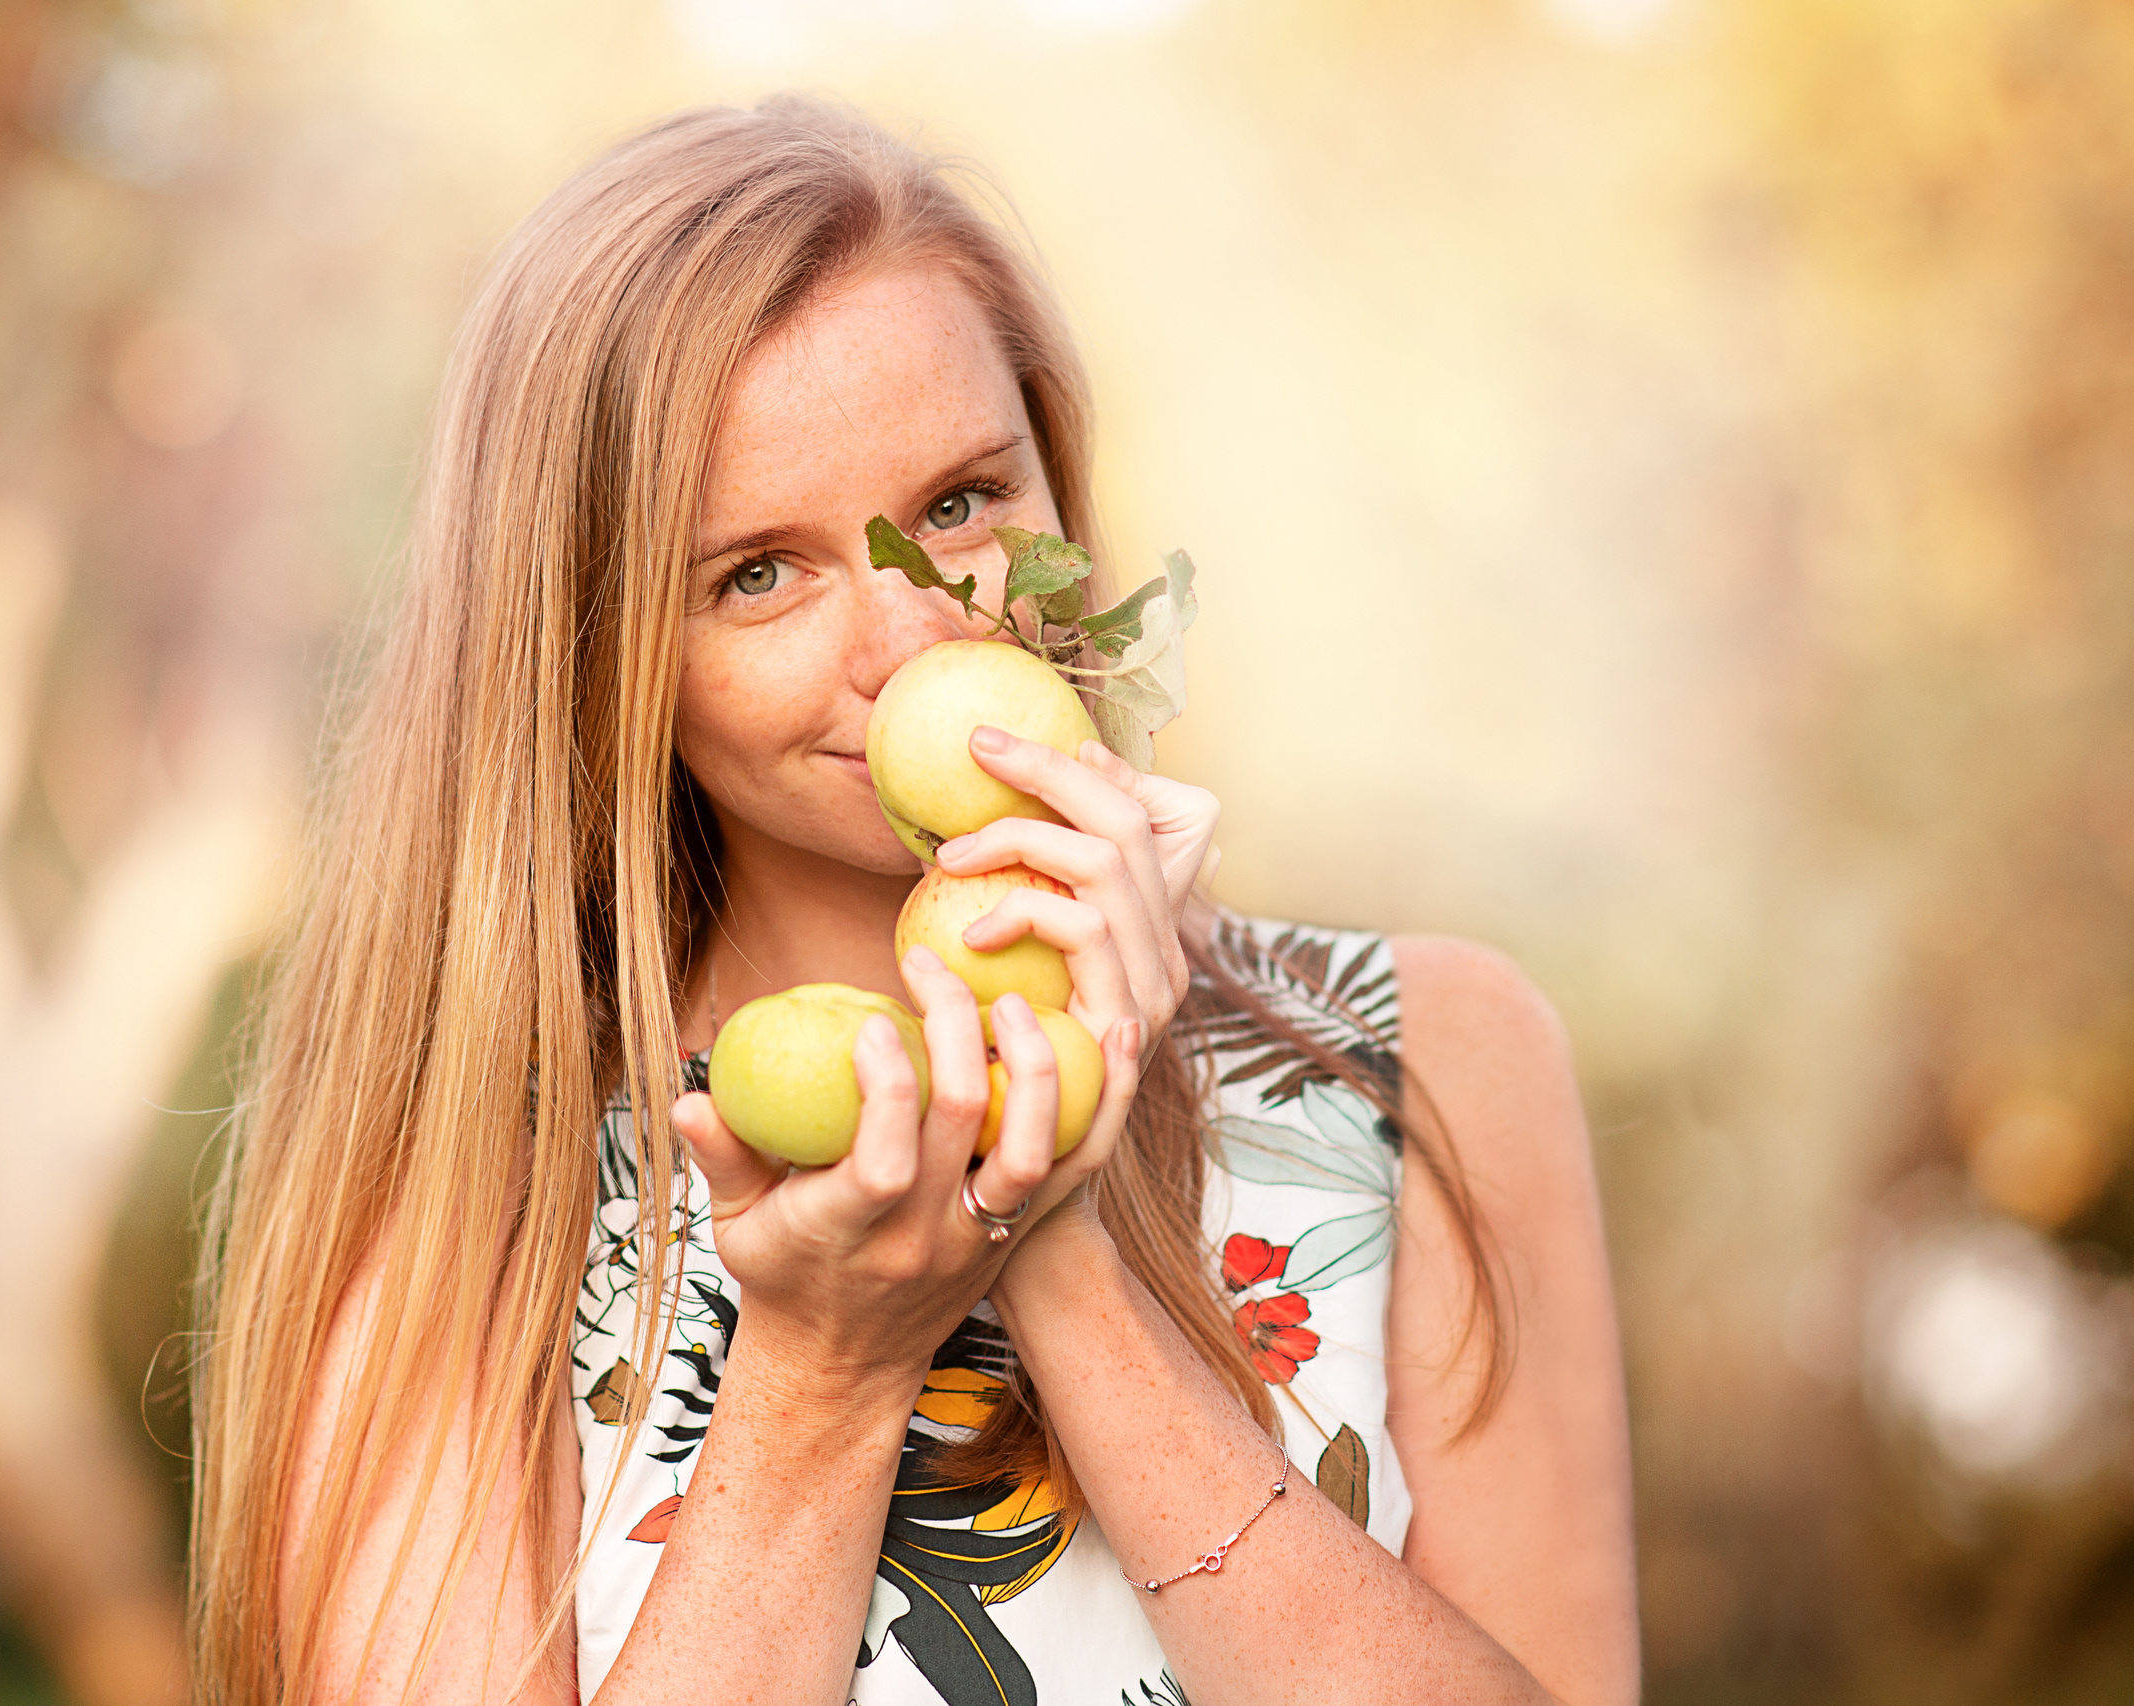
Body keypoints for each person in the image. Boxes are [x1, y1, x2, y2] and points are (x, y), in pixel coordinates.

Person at [190, 96, 1638, 1706]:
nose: (906, 644)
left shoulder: (1421, 1063)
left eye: (958, 504)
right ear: (601, 661)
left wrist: (1052, 1236)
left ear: (1058, 497)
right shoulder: (479, 1186)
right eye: (759, 571)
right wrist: (819, 1370)